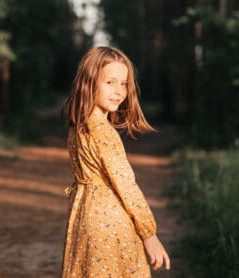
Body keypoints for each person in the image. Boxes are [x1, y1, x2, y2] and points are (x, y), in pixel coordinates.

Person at [60, 46, 170, 277]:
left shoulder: (79, 125)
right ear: (90, 83)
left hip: (85, 218)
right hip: (111, 225)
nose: (119, 92)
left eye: (124, 84)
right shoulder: (103, 132)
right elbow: (126, 186)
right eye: (110, 83)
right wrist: (149, 235)